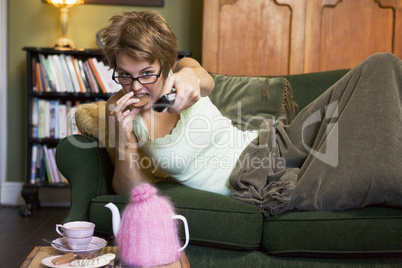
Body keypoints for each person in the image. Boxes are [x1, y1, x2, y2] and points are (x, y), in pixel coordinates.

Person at [103, 11, 402, 219]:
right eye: (125, 76)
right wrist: (125, 143)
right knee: (369, 170)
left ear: (165, 64)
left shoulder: (183, 72)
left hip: (274, 144)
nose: (137, 86)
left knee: (381, 65)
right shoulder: (120, 111)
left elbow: (204, 80)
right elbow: (131, 192)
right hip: (252, 179)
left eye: (147, 74)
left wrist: (191, 78)